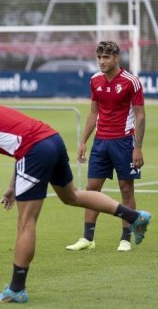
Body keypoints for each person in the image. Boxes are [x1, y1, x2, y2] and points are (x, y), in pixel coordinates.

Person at [0, 87, 151, 303]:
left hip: (35, 150)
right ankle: (133, 216)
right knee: (72, 196)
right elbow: (19, 141)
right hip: (52, 140)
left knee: (25, 223)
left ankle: (16, 289)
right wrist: (12, 186)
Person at [66, 40, 146, 252]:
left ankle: (125, 239)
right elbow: (94, 112)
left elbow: (140, 115)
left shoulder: (132, 82)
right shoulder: (95, 80)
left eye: (106, 57)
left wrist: (137, 147)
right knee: (92, 189)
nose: (102, 61)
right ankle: (88, 238)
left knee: (126, 189)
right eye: (99, 57)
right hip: (100, 142)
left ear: (116, 58)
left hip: (124, 142)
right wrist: (83, 141)